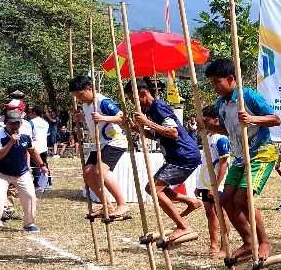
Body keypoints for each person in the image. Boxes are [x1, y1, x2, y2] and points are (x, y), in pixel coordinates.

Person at [205, 58, 281, 261]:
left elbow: (275, 119)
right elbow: (230, 130)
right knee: (226, 200)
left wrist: (252, 118)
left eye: (216, 82)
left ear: (231, 78)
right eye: (211, 83)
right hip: (239, 157)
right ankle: (248, 242)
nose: (214, 87)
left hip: (261, 153)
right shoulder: (221, 103)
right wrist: (212, 128)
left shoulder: (249, 96)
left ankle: (264, 241)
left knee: (242, 198)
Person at [124, 79, 203, 242]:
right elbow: (156, 135)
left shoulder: (158, 107)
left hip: (184, 155)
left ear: (143, 93)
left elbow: (173, 133)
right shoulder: (150, 111)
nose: (133, 103)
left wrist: (147, 122)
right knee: (157, 189)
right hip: (177, 157)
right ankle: (191, 202)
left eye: (134, 99)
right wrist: (135, 128)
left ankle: (183, 226)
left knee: (153, 189)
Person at [70, 76, 131, 219]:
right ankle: (107, 206)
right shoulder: (86, 104)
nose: (79, 98)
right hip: (98, 143)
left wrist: (103, 118)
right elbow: (93, 119)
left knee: (100, 172)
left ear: (89, 89)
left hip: (114, 141)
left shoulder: (103, 101)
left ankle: (122, 204)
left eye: (80, 94)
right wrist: (81, 118)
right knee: (88, 173)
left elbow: (123, 119)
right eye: (75, 96)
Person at [0, 110, 47, 235]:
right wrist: (11, 142)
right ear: (5, 123)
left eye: (17, 123)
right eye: (12, 123)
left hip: (21, 172)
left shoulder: (25, 134)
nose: (15, 125)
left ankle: (29, 224)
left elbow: (32, 150)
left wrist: (42, 165)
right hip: (2, 173)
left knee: (30, 196)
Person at [195, 105, 231, 257]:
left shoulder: (221, 139)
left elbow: (223, 164)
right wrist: (200, 185)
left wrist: (216, 186)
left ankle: (225, 247)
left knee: (221, 213)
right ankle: (213, 245)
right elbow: (205, 162)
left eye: (207, 121)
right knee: (210, 213)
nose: (204, 124)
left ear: (216, 120)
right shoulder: (207, 137)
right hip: (206, 182)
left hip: (218, 183)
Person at [27, 106, 51, 188]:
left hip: (34, 147)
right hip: (44, 146)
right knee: (44, 164)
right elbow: (47, 134)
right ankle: (48, 182)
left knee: (35, 166)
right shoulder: (46, 123)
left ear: (34, 112)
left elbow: (28, 134)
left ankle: (37, 183)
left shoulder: (31, 122)